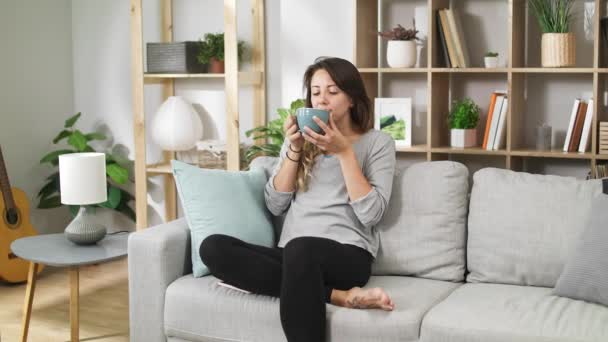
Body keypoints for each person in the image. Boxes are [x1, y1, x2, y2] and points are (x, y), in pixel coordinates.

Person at [200, 56, 396, 342]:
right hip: (293, 255)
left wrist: (343, 153)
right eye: (316, 93)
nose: (322, 100)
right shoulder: (299, 141)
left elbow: (371, 214)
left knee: (301, 249)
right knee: (213, 247)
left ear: (352, 98)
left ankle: (333, 289)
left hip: (348, 254)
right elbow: (276, 205)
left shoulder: (377, 143)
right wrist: (294, 149)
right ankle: (338, 296)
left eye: (332, 91)